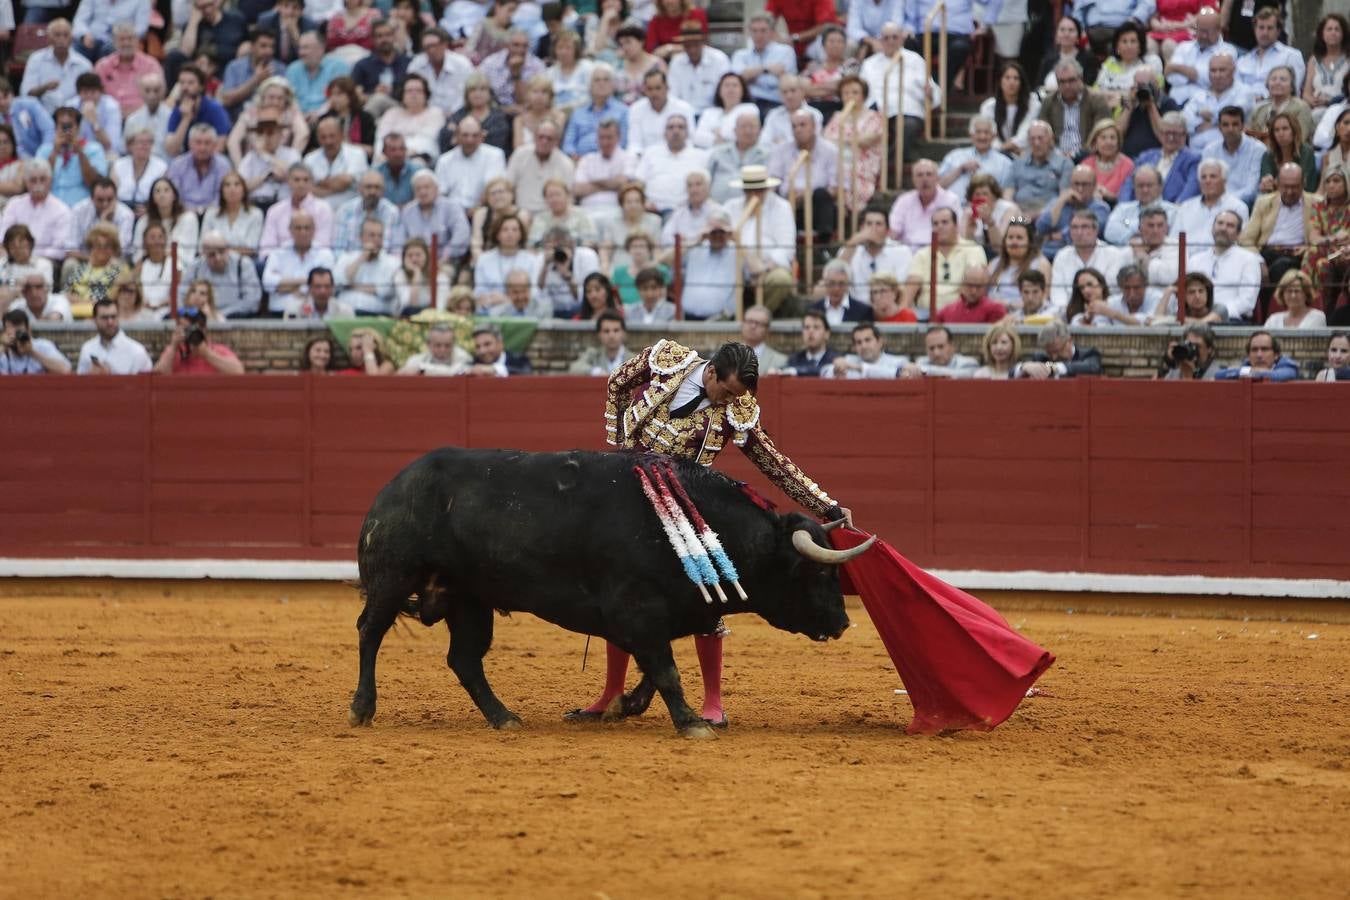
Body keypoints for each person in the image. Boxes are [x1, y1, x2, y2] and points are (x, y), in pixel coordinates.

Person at [572, 335, 850, 731]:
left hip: (684, 507)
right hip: (629, 502)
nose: (726, 401)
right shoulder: (667, 359)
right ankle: (613, 692)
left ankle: (713, 702)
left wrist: (825, 506)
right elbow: (617, 382)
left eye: (735, 396)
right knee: (621, 591)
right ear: (712, 371)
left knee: (708, 592)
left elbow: (773, 461)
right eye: (724, 390)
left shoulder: (738, 407)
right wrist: (617, 450)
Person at [1242, 162, 1317, 308]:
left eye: (1294, 187)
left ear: (1304, 183)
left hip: (1298, 254)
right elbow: (1247, 239)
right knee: (1250, 266)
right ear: (1277, 183)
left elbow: (1321, 236)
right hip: (1267, 253)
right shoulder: (1263, 203)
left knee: (1280, 268)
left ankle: (1270, 316)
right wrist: (1258, 261)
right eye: (1285, 186)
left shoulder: (1316, 203)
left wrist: (1309, 248)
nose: (1289, 191)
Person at [901, 207, 989, 314]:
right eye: (935, 224)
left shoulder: (973, 249)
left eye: (944, 222)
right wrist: (902, 313)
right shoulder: (922, 254)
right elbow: (911, 286)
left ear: (956, 226)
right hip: (926, 313)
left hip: (962, 312)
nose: (940, 227)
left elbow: (975, 283)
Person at [1184, 211, 1260, 320]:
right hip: (1196, 317)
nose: (1223, 228)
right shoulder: (1195, 260)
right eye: (1220, 223)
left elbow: (1247, 302)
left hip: (1230, 321)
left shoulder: (1249, 259)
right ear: (1212, 228)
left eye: (1230, 226)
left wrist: (1216, 315)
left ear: (1238, 234)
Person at [262, 212, 336, 315]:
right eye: (298, 228)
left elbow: (328, 286)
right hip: (279, 310)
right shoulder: (278, 252)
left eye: (307, 228)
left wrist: (283, 286)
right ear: (290, 230)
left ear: (314, 230)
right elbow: (268, 283)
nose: (303, 232)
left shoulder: (324, 253)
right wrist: (306, 282)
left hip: (311, 313)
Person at [178, 231, 264, 318]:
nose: (218, 258)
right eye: (212, 254)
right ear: (204, 254)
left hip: (235, 317)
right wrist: (193, 312)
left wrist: (220, 314)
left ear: (228, 249)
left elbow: (253, 301)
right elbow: (180, 295)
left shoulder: (243, 264)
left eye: (221, 251)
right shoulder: (195, 267)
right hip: (200, 316)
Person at [1038, 59, 1113, 159]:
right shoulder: (1049, 102)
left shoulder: (1097, 100)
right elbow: (1042, 134)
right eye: (1062, 82)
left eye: (1071, 80)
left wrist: (1075, 155)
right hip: (1055, 157)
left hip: (1087, 157)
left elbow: (1101, 135)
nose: (1067, 86)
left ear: (1081, 79)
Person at [1302, 164, 1350, 316]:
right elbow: (1314, 238)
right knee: (1318, 259)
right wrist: (1334, 238)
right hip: (1328, 254)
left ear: (1347, 183)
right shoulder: (1319, 206)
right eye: (1327, 182)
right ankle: (1308, 301)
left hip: (1347, 254)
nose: (1331, 186)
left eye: (1336, 181)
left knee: (1321, 259)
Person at [397, 169, 471, 267]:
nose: (423, 192)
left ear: (437, 188)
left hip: (445, 261)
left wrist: (445, 256)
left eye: (427, 187)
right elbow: (398, 241)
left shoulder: (451, 207)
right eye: (418, 188)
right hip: (413, 262)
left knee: (442, 279)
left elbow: (462, 235)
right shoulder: (408, 211)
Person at [1037, 165, 1111, 261]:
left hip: (1079, 255)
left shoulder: (1100, 208)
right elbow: (1040, 227)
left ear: (1094, 186)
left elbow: (1085, 233)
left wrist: (1055, 235)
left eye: (1085, 184)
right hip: (1047, 253)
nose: (1080, 189)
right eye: (1076, 184)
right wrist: (1060, 202)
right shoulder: (1058, 202)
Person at [1164, 5, 1235, 105]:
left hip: (1204, 107)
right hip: (1176, 102)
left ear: (1218, 30)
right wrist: (1194, 75)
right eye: (1201, 30)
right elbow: (1172, 78)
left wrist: (1177, 68)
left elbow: (1212, 81)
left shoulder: (1227, 51)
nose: (1203, 35)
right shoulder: (1183, 47)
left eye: (1207, 31)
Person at [19, 18, 92, 115]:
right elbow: (26, 94)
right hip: (42, 114)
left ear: (71, 38)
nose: (61, 39)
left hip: (76, 116)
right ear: (48, 38)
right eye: (57, 35)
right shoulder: (36, 59)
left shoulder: (84, 64)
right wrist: (44, 88)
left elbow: (90, 96)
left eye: (65, 35)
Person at [840, 208, 914, 304]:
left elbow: (900, 287)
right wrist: (853, 243)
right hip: (858, 310)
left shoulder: (902, 251)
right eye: (869, 224)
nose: (873, 228)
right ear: (861, 228)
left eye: (878, 224)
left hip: (890, 306)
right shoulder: (849, 250)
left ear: (887, 231)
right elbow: (834, 278)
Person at [1182, 52, 1251, 152]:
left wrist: (1199, 114)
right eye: (1213, 70)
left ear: (1233, 71)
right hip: (1195, 154)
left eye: (1222, 70)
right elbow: (1184, 122)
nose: (1217, 75)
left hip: (1229, 153)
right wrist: (1199, 125)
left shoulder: (1244, 92)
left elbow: (1232, 116)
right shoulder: (1199, 95)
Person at [731, 13, 798, 115]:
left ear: (771, 32)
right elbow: (738, 78)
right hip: (748, 102)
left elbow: (787, 81)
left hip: (776, 103)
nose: (759, 35)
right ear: (749, 32)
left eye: (763, 31)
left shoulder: (785, 52)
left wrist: (751, 75)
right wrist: (766, 69)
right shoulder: (740, 54)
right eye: (755, 31)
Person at [1004, 121, 1073, 219]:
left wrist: (1041, 214)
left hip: (1049, 215)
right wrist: (1016, 212)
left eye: (1040, 138)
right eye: (1032, 139)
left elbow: (1064, 197)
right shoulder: (1017, 164)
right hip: (1019, 215)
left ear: (1050, 139)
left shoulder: (1064, 164)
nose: (1036, 143)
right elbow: (1007, 195)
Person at [152, 305, 245, 375]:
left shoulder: (218, 350)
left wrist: (207, 354)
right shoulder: (174, 351)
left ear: (204, 330)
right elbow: (157, 376)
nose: (190, 333)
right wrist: (173, 347)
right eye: (185, 329)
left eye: (194, 329)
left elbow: (239, 372)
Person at [938, 116, 1013, 201]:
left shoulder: (1004, 163)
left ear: (994, 136)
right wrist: (960, 169)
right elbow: (938, 187)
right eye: (978, 132)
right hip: (952, 210)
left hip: (986, 210)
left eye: (986, 132)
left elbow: (1005, 194)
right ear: (971, 135)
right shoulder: (954, 156)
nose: (982, 136)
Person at [888, 158, 959, 248]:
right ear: (913, 179)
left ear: (937, 177)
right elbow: (894, 232)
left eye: (929, 174)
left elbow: (957, 231)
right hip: (908, 253)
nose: (924, 179)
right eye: (920, 175)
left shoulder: (951, 200)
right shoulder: (903, 201)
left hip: (940, 250)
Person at [1171, 159, 1249, 241]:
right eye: (1203, 177)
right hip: (1186, 253)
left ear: (1224, 180)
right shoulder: (1186, 207)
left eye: (1213, 176)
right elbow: (1174, 240)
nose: (1207, 181)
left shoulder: (1238, 207)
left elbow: (1239, 241)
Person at [1235, 8, 1304, 102]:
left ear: (1278, 31)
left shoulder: (1291, 56)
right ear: (1255, 29)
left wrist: (1263, 99)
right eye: (1261, 27)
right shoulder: (1243, 61)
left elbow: (1293, 89)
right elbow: (1235, 90)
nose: (1265, 33)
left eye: (1270, 28)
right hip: (1244, 108)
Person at [334, 218, 399, 315]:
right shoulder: (347, 257)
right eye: (372, 235)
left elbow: (385, 291)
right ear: (361, 237)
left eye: (380, 236)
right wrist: (362, 258)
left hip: (377, 314)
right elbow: (338, 282)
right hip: (347, 313)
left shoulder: (392, 262)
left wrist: (351, 287)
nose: (376, 240)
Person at [1094, 20, 1164, 109]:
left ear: (1140, 45)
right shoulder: (1110, 62)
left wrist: (1115, 97)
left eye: (1133, 41)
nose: (1129, 46)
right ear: (1117, 46)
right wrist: (1122, 95)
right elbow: (1095, 92)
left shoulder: (1151, 61)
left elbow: (1155, 91)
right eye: (1124, 41)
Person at [667, 18, 730, 114]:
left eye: (696, 45)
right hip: (683, 115)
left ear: (703, 43)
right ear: (682, 45)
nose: (692, 50)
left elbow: (726, 92)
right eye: (688, 45)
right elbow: (672, 95)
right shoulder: (676, 62)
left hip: (714, 113)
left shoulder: (719, 59)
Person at [979, 61, 1042, 156]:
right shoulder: (988, 106)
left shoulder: (1033, 104)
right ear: (1000, 81)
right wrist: (1001, 148)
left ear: (1021, 82)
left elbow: (1026, 130)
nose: (1011, 82)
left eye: (1016, 78)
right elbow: (989, 134)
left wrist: (1012, 145)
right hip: (996, 154)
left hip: (1024, 152)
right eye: (1007, 78)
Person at [76, 296, 151, 374]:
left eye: (113, 317)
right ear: (95, 320)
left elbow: (145, 384)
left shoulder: (137, 352)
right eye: (104, 318)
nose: (110, 322)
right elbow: (80, 382)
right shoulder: (87, 349)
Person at [627, 69, 695, 157]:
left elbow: (690, 141)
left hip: (677, 157)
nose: (654, 93)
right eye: (650, 89)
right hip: (646, 159)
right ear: (644, 90)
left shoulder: (684, 108)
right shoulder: (636, 109)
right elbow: (635, 144)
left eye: (658, 88)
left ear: (667, 88)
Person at [61, 222, 124, 307]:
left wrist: (79, 301)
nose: (102, 249)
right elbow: (65, 294)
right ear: (91, 246)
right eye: (98, 245)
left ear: (114, 249)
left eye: (107, 245)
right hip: (72, 313)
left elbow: (108, 300)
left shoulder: (117, 271)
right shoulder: (81, 269)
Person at [1012, 321, 1103, 378]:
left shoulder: (1089, 354)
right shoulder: (1040, 357)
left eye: (1057, 351)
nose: (1054, 357)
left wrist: (1054, 367)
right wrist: (1023, 367)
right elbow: (1011, 373)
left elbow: (1093, 367)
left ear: (1069, 341)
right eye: (1049, 353)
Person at [694, 72, 758, 151]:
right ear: (719, 90)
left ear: (743, 90)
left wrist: (715, 132)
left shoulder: (749, 108)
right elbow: (697, 137)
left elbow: (736, 135)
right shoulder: (709, 112)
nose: (731, 90)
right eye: (726, 86)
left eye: (735, 85)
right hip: (708, 155)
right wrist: (718, 138)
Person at [1257, 113, 1319, 195]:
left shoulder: (1306, 152)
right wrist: (1266, 183)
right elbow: (1266, 179)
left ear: (1294, 131)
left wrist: (1276, 183)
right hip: (1275, 198)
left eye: (1285, 129)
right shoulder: (1268, 155)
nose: (1281, 134)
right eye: (1277, 130)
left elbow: (1306, 185)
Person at [1305, 14, 1350, 126]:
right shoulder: (1314, 60)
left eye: (1337, 29)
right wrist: (1312, 101)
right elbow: (1306, 92)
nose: (1333, 33)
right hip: (1316, 109)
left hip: (1343, 109)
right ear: (1322, 34)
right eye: (1329, 29)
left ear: (1343, 34)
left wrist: (1330, 101)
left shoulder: (1348, 59)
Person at [0, 303, 70, 374]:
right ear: (4, 332)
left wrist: (32, 352)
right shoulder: (3, 351)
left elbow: (65, 370)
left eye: (19, 331)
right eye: (11, 330)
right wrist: (3, 347)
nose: (15, 335)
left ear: (28, 330)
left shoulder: (42, 346)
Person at [824, 322, 907, 379]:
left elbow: (900, 374)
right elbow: (825, 372)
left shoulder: (899, 362)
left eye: (868, 340)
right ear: (854, 347)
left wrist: (858, 368)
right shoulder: (848, 360)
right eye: (859, 342)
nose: (863, 346)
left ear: (880, 342)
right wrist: (836, 369)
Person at [392, 237, 453, 314]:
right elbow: (410, 304)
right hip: (408, 317)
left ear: (427, 256)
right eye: (410, 255)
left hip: (432, 318)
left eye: (418, 255)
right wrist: (417, 274)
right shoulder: (400, 275)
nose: (414, 259)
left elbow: (440, 307)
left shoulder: (440, 276)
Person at [1039, 15, 1101, 89]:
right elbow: (1040, 86)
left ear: (1078, 36)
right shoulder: (1048, 59)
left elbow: (1090, 86)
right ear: (1056, 35)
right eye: (1062, 30)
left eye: (1071, 30)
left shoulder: (1088, 58)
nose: (1066, 34)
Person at [807, 259, 873, 326]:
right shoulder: (813, 309)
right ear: (825, 283)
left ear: (848, 285)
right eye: (832, 283)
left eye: (841, 284)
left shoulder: (863, 311)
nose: (836, 289)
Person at [898, 325, 980, 378]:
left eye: (941, 347)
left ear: (952, 346)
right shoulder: (921, 362)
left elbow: (958, 375)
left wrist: (924, 371)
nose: (936, 353)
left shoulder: (969, 363)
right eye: (931, 348)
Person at [933, 266, 1007, 324]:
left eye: (979, 286)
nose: (973, 291)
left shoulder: (996, 309)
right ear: (962, 284)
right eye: (969, 285)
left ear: (986, 286)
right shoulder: (946, 311)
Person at [1214, 330, 1298, 381]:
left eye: (1265, 349)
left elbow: (1278, 376)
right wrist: (1248, 371)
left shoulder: (1287, 365)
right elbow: (1218, 375)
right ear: (1248, 355)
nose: (1259, 355)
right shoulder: (1246, 365)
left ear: (1276, 355)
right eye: (1254, 350)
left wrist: (1250, 372)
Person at [568, 309, 631, 375]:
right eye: (606, 331)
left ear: (623, 333)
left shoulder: (632, 358)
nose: (611, 336)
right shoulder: (593, 354)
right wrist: (595, 371)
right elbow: (574, 368)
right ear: (599, 335)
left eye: (616, 330)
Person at [398, 321, 473, 375]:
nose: (442, 350)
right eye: (438, 345)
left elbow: (456, 372)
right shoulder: (415, 360)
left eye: (447, 345)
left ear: (454, 344)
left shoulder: (465, 357)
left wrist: (422, 370)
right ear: (428, 345)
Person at [781, 310, 836, 376]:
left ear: (827, 333)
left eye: (816, 327)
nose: (811, 331)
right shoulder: (793, 360)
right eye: (807, 327)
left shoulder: (835, 359)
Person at [467, 322, 531, 376]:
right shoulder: (474, 363)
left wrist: (495, 369)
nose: (482, 351)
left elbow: (526, 373)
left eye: (487, 344)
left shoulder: (519, 360)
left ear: (500, 344)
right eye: (477, 347)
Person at [739, 303, 788, 370]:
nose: (753, 326)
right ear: (743, 324)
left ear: (767, 330)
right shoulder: (725, 356)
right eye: (750, 321)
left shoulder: (780, 361)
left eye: (758, 323)